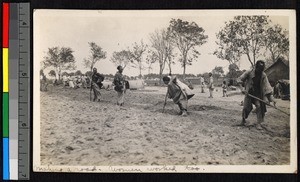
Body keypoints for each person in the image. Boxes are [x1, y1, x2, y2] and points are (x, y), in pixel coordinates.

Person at [238, 60, 276, 130]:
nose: (260, 72)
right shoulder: (249, 72)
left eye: (261, 70)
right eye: (259, 69)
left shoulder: (263, 75)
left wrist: (271, 98)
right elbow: (239, 80)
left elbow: (267, 86)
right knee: (246, 108)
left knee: (259, 106)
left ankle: (258, 123)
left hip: (257, 94)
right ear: (256, 67)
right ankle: (243, 120)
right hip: (249, 93)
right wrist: (242, 89)